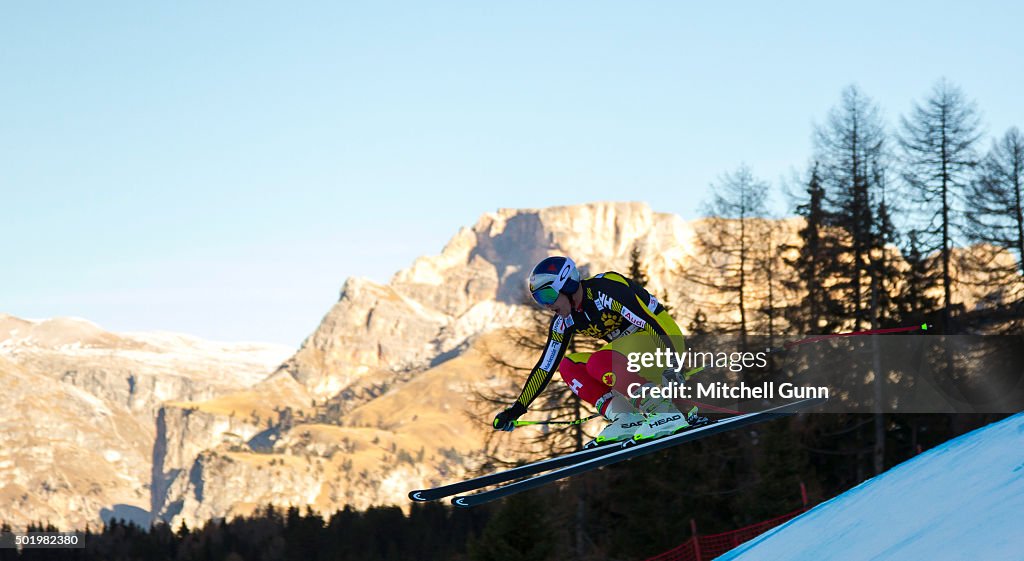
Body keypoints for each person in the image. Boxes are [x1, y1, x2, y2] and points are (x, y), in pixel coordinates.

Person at [492, 255, 705, 447]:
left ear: (566, 285)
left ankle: (664, 411)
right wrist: (516, 409)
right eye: (539, 299)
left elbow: (649, 323)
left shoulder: (605, 291)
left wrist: (672, 366)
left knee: (599, 361)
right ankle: (626, 418)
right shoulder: (563, 321)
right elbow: (544, 368)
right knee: (569, 366)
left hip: (663, 340)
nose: (546, 305)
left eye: (547, 295)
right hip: (631, 353)